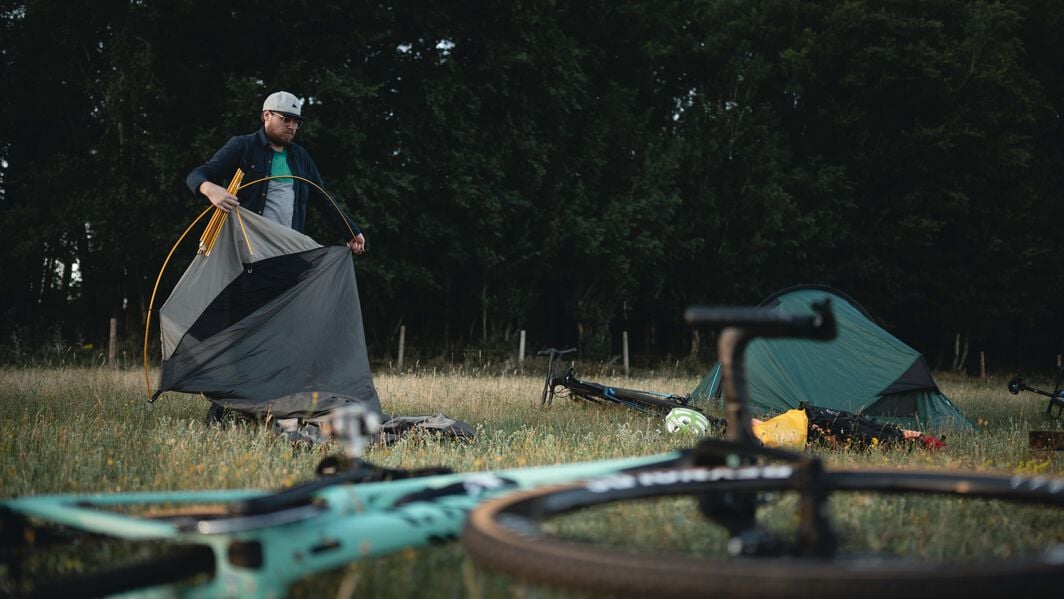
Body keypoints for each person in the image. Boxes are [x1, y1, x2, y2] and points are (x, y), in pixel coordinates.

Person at [186, 90, 366, 254]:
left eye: (297, 121)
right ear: (267, 115)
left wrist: (351, 232)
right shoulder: (243, 146)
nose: (292, 126)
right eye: (286, 119)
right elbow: (197, 174)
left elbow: (323, 198)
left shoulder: (300, 157)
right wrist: (210, 189)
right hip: (246, 250)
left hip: (287, 251)